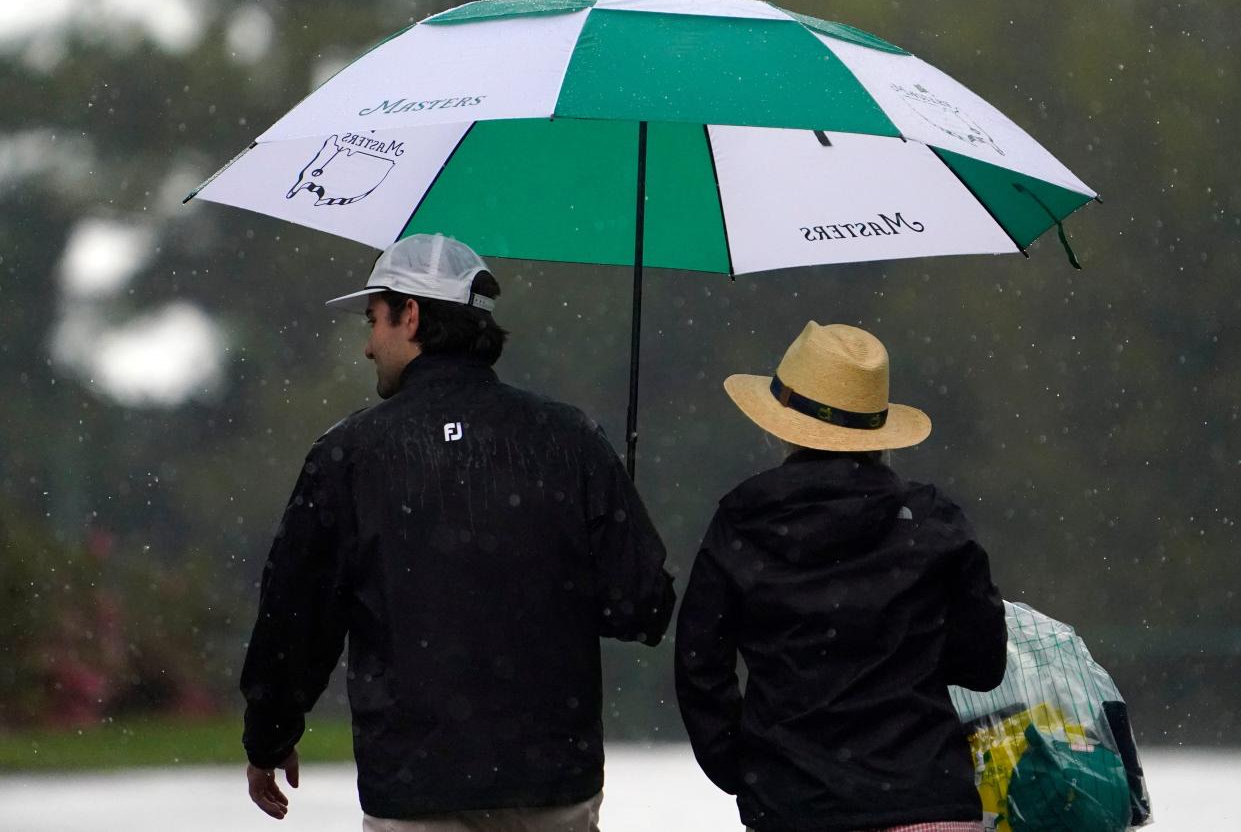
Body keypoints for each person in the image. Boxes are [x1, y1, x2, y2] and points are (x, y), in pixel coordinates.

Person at [240, 233, 676, 830]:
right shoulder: (571, 439)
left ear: (411, 314)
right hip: (551, 783)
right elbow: (642, 607)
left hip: (416, 786)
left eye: (374, 321)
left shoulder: (349, 453)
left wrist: (270, 733)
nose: (369, 346)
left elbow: (297, 613)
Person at [675, 321, 1007, 832]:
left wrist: (741, 765)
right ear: (879, 429)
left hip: (791, 806)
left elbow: (700, 664)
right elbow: (983, 665)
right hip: (928, 799)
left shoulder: (742, 522)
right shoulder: (934, 523)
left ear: (778, 425)